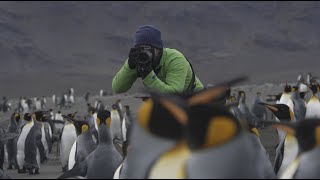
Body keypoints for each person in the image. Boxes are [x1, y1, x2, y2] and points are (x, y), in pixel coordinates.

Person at [112, 25, 204, 94]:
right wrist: (130, 67)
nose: (144, 53)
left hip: (195, 99)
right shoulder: (138, 57)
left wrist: (148, 75)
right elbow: (117, 88)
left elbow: (174, 94)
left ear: (158, 49)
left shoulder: (175, 59)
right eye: (141, 48)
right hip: (166, 103)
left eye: (149, 49)